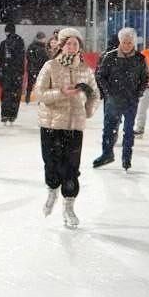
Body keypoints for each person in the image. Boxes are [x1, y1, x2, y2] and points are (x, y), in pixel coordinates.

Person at [33, 28, 97, 229]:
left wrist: (87, 106)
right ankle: (52, 190)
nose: (72, 47)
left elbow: (95, 96)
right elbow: (40, 93)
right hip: (51, 125)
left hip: (74, 126)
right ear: (61, 46)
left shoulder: (85, 70)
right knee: (52, 165)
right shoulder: (50, 66)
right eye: (68, 43)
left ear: (79, 48)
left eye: (76, 44)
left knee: (71, 169)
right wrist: (62, 92)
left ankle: (69, 207)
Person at [92, 27, 149, 171]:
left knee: (128, 131)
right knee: (109, 128)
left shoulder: (140, 59)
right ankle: (107, 154)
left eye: (130, 42)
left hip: (131, 101)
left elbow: (145, 78)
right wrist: (108, 93)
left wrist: (137, 94)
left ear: (134, 43)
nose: (127, 45)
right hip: (113, 101)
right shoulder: (110, 57)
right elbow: (100, 76)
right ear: (120, 41)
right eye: (124, 42)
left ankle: (126, 158)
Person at [0, 22, 26, 125]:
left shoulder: (4, 43)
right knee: (15, 95)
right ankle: (12, 116)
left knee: (6, 94)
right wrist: (20, 72)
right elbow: (22, 59)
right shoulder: (20, 42)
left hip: (6, 73)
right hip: (16, 74)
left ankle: (4, 115)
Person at [24, 32, 50, 104]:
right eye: (42, 38)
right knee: (31, 83)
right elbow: (29, 56)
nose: (43, 40)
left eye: (44, 38)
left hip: (40, 68)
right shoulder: (32, 46)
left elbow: (47, 58)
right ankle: (28, 97)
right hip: (33, 68)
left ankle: (39, 99)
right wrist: (35, 62)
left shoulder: (45, 47)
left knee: (40, 84)